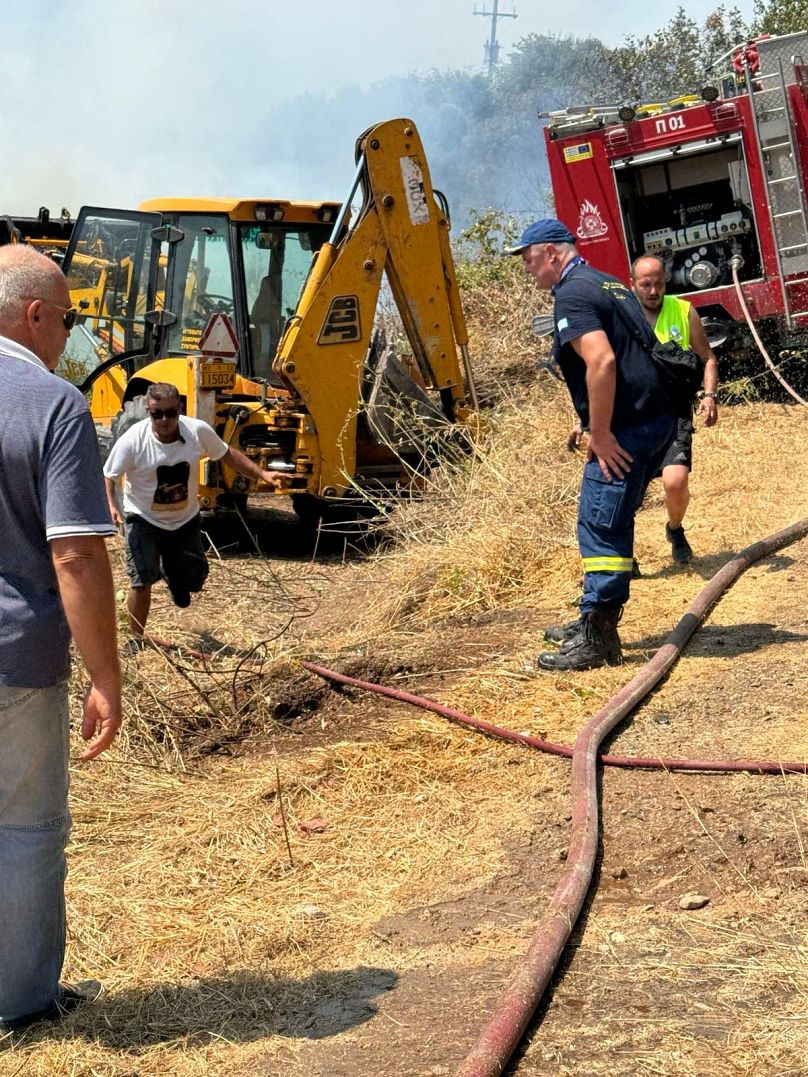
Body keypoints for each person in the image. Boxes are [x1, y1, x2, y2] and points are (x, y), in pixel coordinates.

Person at [0, 245, 122, 1033]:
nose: (70, 336)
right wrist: (106, 676)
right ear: (36, 315)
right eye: (70, 319)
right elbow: (75, 551)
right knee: (24, 828)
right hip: (16, 657)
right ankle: (19, 1000)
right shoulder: (52, 404)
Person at [506, 219, 677, 671]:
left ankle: (598, 639)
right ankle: (591, 619)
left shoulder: (573, 292)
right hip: (651, 420)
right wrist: (589, 421)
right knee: (610, 519)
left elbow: (601, 360)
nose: (527, 268)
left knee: (601, 525)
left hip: (628, 429)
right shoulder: (607, 283)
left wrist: (601, 433)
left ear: (551, 252)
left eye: (528, 258)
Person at [104, 383, 285, 650]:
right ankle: (136, 639)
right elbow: (109, 475)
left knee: (193, 581)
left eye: (170, 413)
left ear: (179, 409)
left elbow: (227, 455)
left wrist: (262, 474)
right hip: (143, 517)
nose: (164, 420)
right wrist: (111, 506)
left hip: (184, 518)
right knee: (141, 580)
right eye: (157, 414)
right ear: (148, 411)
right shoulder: (133, 440)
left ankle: (172, 573)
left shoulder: (197, 431)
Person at [630, 254, 719, 564]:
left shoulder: (683, 311)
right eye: (645, 285)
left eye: (658, 284)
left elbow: (707, 358)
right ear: (633, 285)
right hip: (634, 418)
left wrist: (709, 395)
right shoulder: (622, 316)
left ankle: (675, 529)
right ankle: (623, 556)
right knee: (627, 493)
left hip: (675, 416)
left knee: (676, 482)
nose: (653, 291)